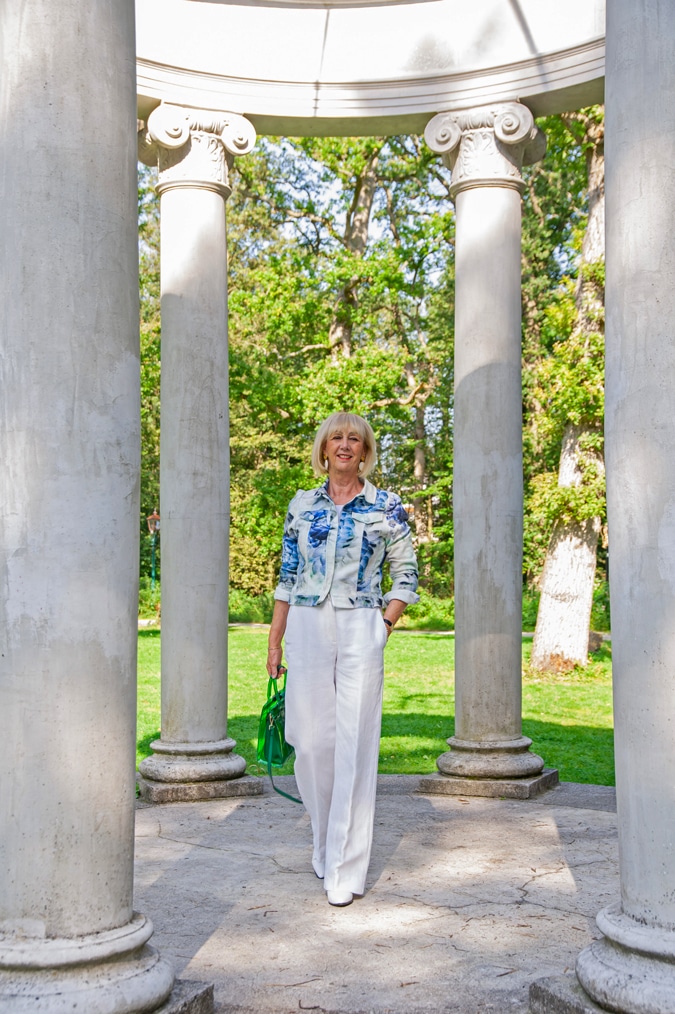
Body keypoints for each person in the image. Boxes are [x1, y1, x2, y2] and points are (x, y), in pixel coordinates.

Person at [266, 411, 419, 907]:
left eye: (355, 438)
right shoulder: (302, 504)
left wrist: (385, 624)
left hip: (361, 625)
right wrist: (275, 638)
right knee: (309, 743)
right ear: (325, 448)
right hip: (308, 624)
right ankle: (323, 838)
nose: (346, 445)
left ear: (365, 450)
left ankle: (346, 867)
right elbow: (287, 574)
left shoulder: (386, 506)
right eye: (337, 437)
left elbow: (407, 574)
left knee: (355, 741)